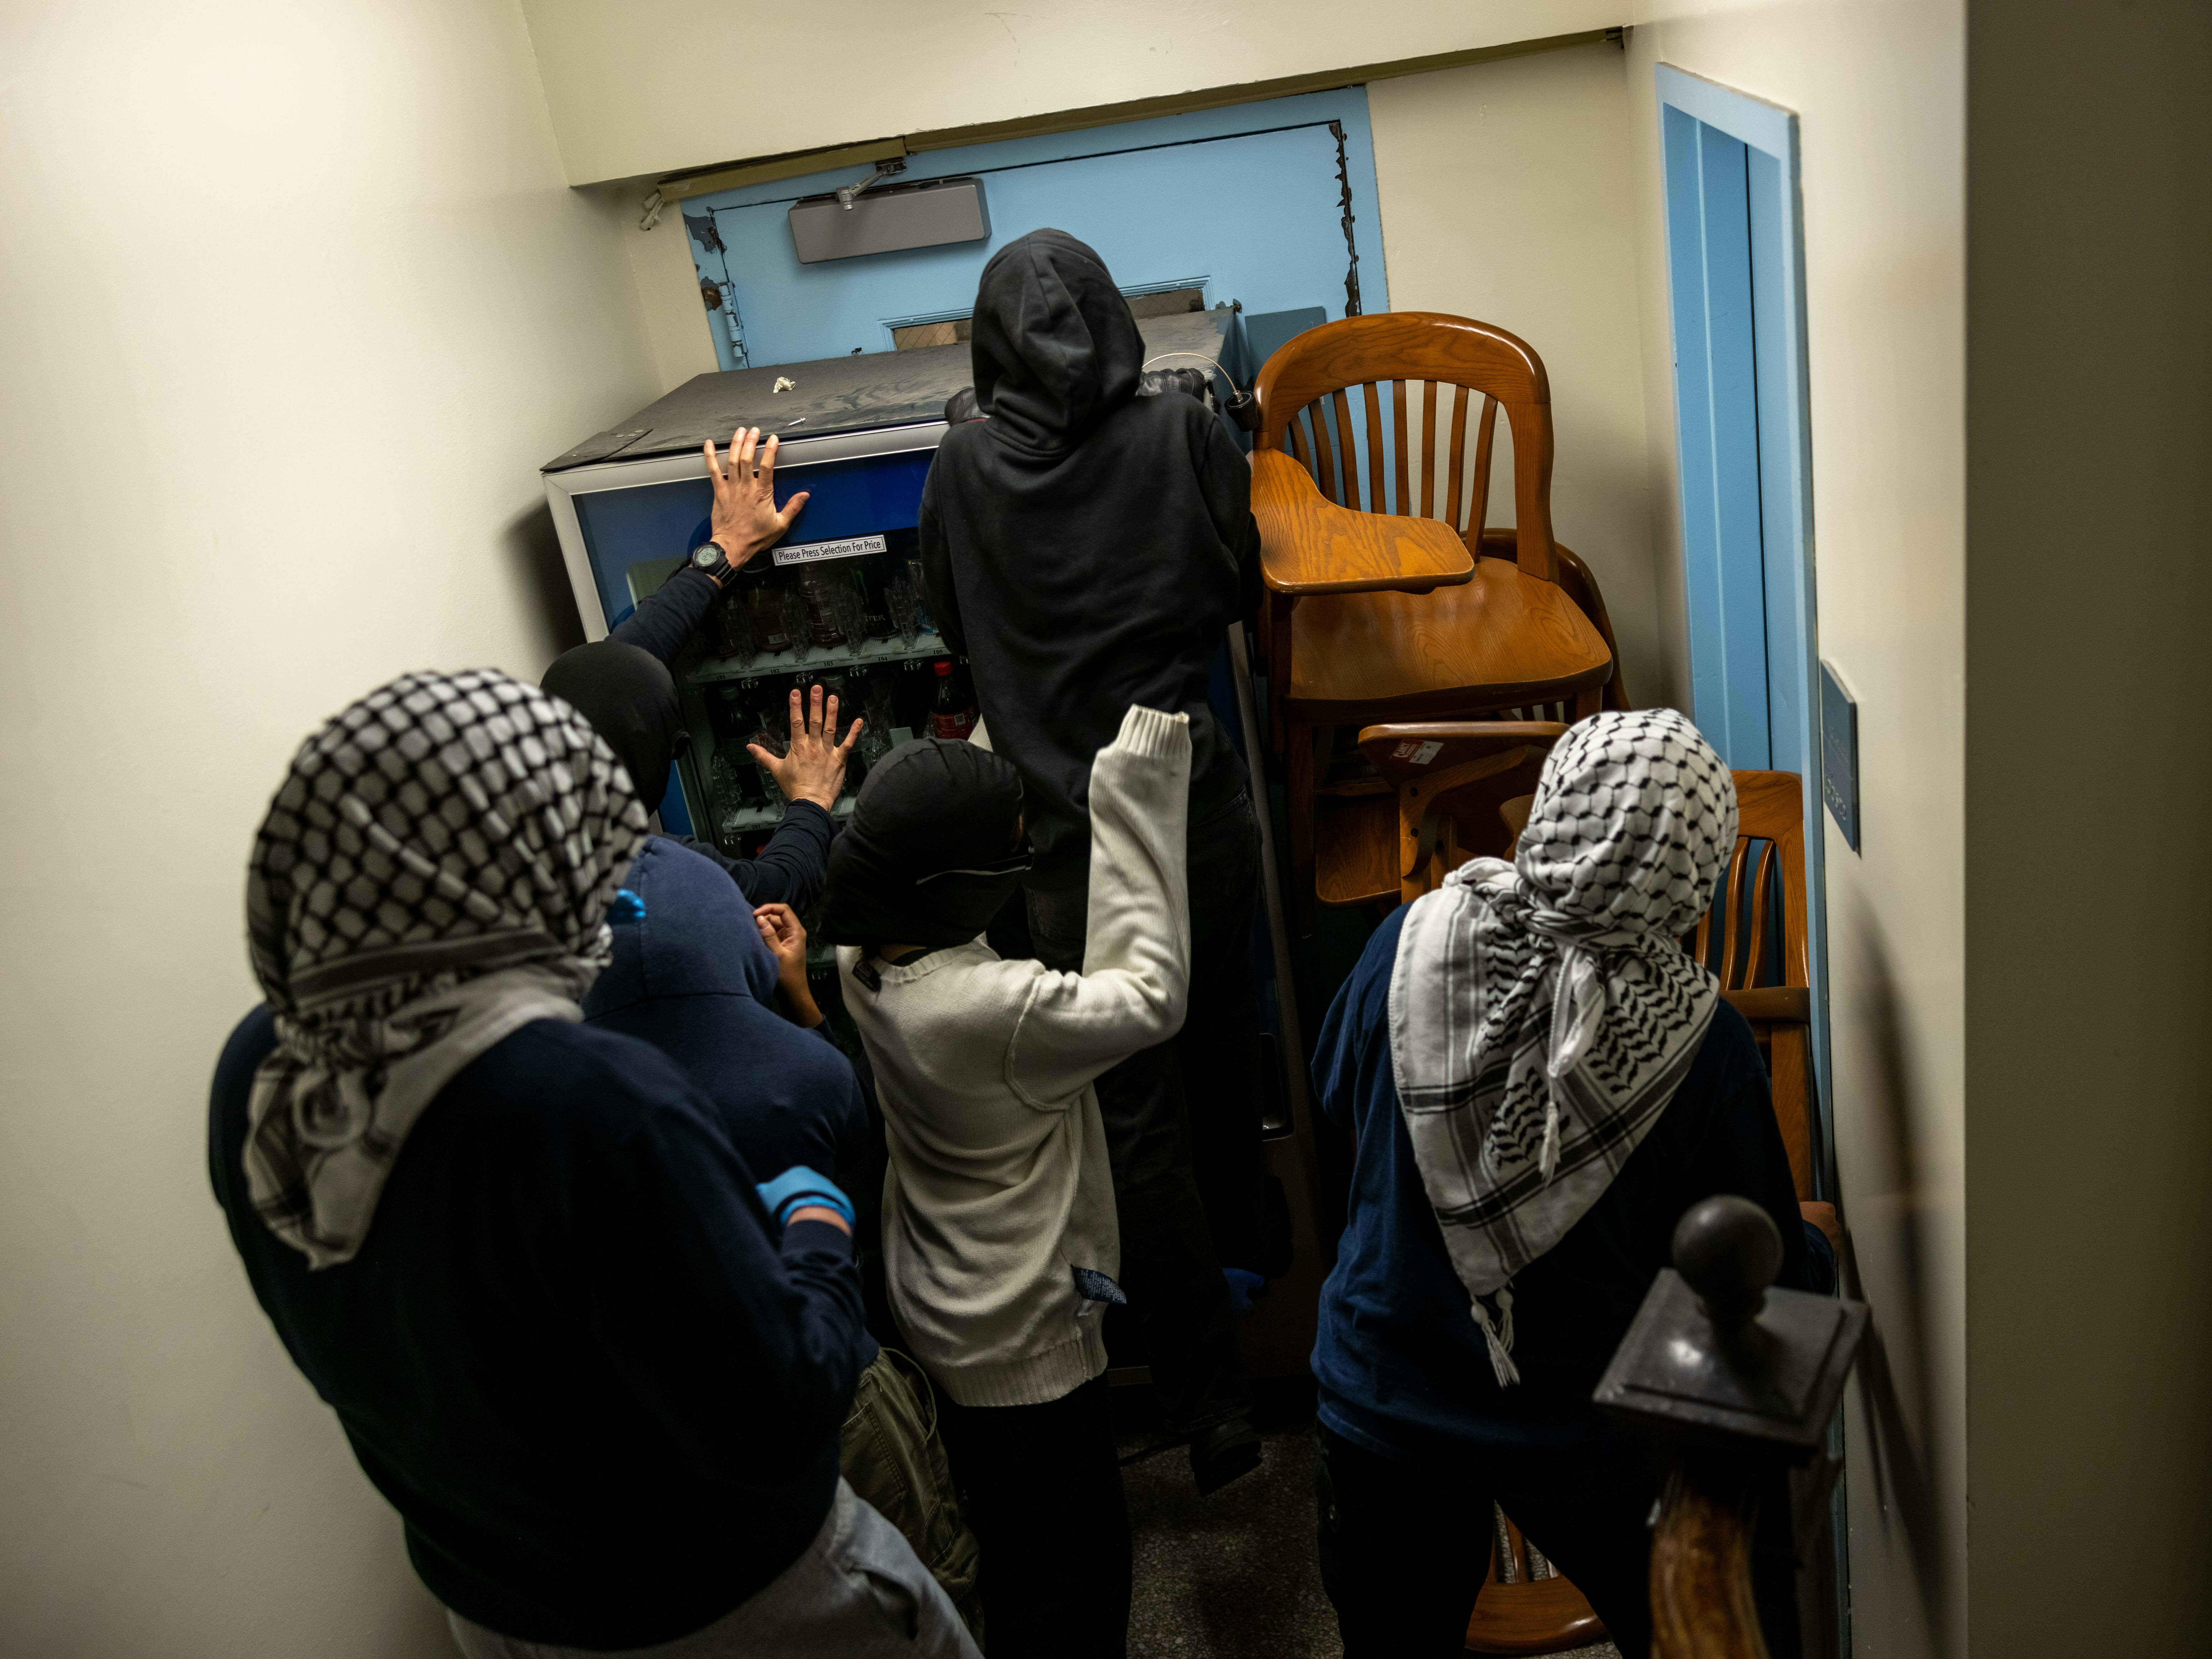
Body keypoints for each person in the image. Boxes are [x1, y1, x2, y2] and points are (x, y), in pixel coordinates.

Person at [208, 667, 976, 1659]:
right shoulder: (588, 1100)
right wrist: (815, 1214)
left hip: (496, 1605)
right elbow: (784, 1411)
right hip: (729, 1604)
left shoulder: (258, 1071)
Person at [1308, 709, 1837, 1659]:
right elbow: (1751, 1279)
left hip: (1383, 1399)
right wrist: (1821, 1245)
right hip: (1589, 1432)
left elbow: (1335, 1092)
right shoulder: (1700, 1042)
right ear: (1692, 872)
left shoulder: (1409, 940)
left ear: (1549, 813)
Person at [918, 228, 1268, 1488]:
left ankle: (1207, 1400)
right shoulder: (1184, 431)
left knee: (1133, 1115)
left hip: (1068, 847)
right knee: (1223, 1038)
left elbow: (947, 620)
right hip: (1190, 809)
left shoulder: (961, 466)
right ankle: (1265, 1271)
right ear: (1117, 322)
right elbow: (1236, 589)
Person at [816, 706, 1194, 1658]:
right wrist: (1133, 786)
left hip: (941, 1301)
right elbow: (1150, 995)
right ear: (961, 886)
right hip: (1024, 1344)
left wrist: (1008, 704)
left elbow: (936, 810)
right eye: (1013, 849)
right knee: (1073, 1587)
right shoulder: (992, 1010)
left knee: (1012, 1552)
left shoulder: (863, 954)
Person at [579, 837, 988, 1643]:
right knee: (920, 1588)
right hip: (835, 1389)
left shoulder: (557, 1096)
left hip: (674, 1427)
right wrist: (798, 998)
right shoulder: (803, 1072)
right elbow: (857, 1165)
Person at [543, 424, 857, 911]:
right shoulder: (646, 875)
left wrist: (728, 547)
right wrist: (812, 799)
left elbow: (617, 667)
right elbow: (778, 887)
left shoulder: (514, 793)